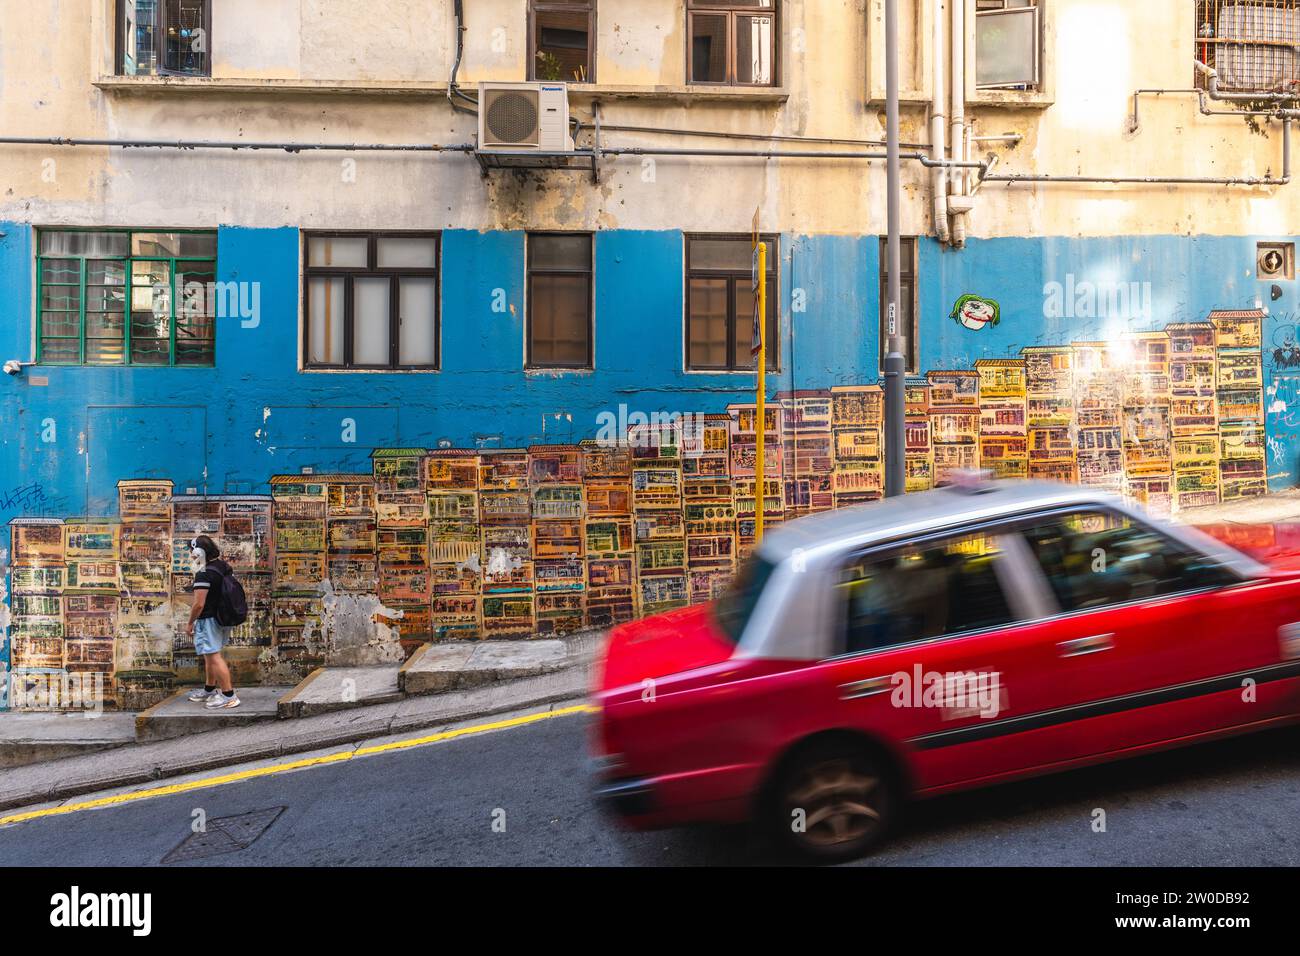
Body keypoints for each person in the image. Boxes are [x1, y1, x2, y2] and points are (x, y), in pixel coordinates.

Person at [185, 535, 241, 709]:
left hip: (208, 619)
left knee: (214, 657)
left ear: (198, 552)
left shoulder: (204, 573)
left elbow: (199, 604)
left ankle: (228, 695)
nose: (190, 554)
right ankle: (209, 690)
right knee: (210, 655)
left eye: (191, 551)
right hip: (221, 618)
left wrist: (189, 622)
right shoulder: (221, 566)